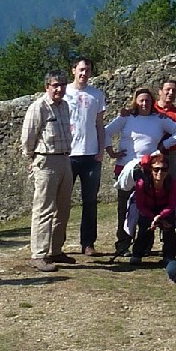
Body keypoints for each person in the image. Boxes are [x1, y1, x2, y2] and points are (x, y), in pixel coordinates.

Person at [105, 87, 176, 253]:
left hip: (148, 169)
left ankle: (144, 245)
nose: (144, 104)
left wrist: (163, 146)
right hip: (125, 168)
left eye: (147, 100)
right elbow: (106, 132)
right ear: (135, 101)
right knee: (124, 208)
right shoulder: (126, 118)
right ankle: (123, 244)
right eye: (141, 100)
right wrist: (111, 151)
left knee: (147, 208)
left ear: (152, 102)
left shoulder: (159, 119)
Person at [20, 71, 74, 272]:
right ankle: (39, 254)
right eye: (55, 85)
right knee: (43, 209)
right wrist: (32, 158)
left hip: (64, 158)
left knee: (63, 208)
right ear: (47, 87)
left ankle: (56, 250)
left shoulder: (65, 106)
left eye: (62, 85)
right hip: (46, 160)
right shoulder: (39, 107)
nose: (59, 89)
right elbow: (28, 137)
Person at [64, 57, 106, 256]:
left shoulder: (96, 95)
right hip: (68, 154)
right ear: (73, 70)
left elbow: (99, 124)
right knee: (62, 200)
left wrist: (101, 149)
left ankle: (88, 243)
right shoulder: (64, 93)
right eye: (81, 69)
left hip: (90, 155)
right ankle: (57, 242)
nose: (84, 73)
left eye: (87, 70)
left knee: (90, 201)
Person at [126, 154, 176, 264]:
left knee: (169, 228)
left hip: (165, 211)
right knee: (144, 228)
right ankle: (137, 253)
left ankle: (169, 255)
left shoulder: (172, 183)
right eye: (156, 169)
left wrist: (160, 217)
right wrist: (153, 218)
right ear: (151, 169)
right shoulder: (142, 184)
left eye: (164, 169)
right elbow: (141, 206)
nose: (160, 172)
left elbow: (171, 205)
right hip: (147, 210)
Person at [155, 79, 176, 180]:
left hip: (171, 154)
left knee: (174, 183)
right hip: (152, 152)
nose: (171, 93)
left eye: (174, 90)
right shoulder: (151, 109)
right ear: (160, 91)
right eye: (168, 90)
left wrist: (165, 144)